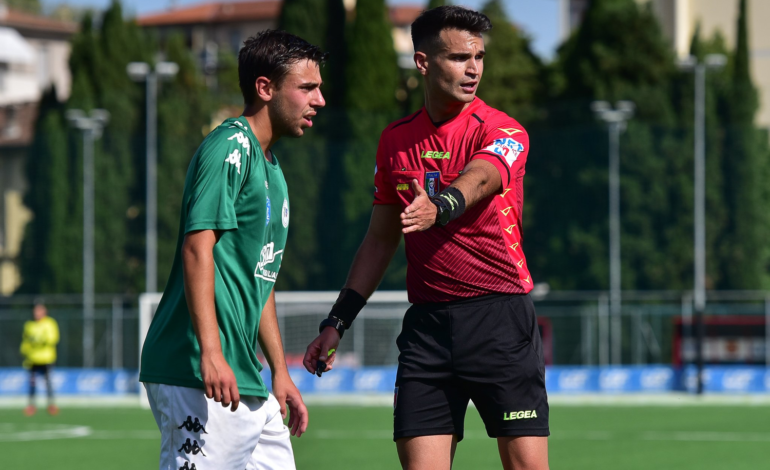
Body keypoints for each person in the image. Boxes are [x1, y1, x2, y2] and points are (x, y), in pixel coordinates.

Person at [303, 6, 549, 470]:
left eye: (478, 57)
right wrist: (337, 321)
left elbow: (483, 175)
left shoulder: (503, 129)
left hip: (500, 319)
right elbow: (379, 240)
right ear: (422, 62)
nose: (473, 68)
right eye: (459, 57)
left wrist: (441, 207)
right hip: (428, 331)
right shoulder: (394, 141)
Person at [140, 30, 326, 470]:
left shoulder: (273, 171)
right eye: (307, 88)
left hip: (247, 377)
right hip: (196, 371)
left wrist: (280, 371)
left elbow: (260, 277)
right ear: (265, 88)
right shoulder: (230, 146)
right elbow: (195, 248)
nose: (319, 99)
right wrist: (210, 351)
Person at [20, 301, 60, 416]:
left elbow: (53, 338)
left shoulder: (50, 323)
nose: (36, 313)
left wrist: (40, 340)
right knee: (32, 383)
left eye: (39, 311)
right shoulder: (29, 325)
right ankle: (31, 405)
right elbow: (25, 341)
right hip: (32, 359)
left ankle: (51, 404)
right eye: (35, 311)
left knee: (48, 382)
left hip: (46, 358)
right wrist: (24, 350)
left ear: (44, 312)